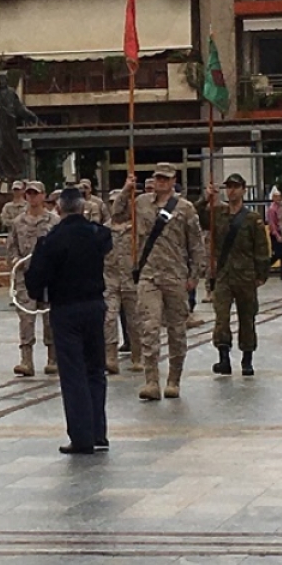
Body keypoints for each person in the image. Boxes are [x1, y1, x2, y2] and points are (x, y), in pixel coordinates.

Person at [25, 187, 112, 455]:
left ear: (59, 208)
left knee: (73, 373)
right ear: (83, 208)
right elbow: (107, 242)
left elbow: (35, 282)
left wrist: (41, 291)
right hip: (95, 306)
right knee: (95, 370)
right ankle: (98, 433)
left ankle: (82, 437)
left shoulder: (51, 240)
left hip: (66, 309)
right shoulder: (98, 234)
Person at [113, 162, 205, 400]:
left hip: (175, 275)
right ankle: (151, 380)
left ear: (173, 181)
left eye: (165, 178)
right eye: (158, 178)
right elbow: (117, 214)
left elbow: (196, 244)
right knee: (149, 327)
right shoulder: (141, 203)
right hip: (149, 275)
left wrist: (195, 275)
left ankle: (173, 379)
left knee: (176, 330)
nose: (161, 182)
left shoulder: (185, 208)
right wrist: (126, 190)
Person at [197, 174, 270, 377]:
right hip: (223, 275)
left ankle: (247, 359)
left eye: (236, 187)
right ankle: (224, 358)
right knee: (221, 317)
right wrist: (206, 198)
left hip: (246, 275)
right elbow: (197, 217)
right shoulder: (218, 214)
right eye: (229, 187)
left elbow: (261, 248)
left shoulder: (252, 219)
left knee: (247, 317)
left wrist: (261, 274)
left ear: (244, 190)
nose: (232, 191)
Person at [8, 181, 60, 376]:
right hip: (26, 275)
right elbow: (12, 246)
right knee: (26, 318)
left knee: (50, 318)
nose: (32, 197)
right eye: (29, 193)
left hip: (49, 277)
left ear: (43, 195)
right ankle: (26, 360)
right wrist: (15, 260)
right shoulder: (18, 222)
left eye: (35, 193)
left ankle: (53, 359)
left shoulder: (54, 221)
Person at [103, 190, 141, 374]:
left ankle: (137, 356)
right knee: (109, 319)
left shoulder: (137, 228)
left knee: (134, 321)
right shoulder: (104, 229)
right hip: (110, 279)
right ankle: (110, 357)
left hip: (131, 281)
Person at [0, 74, 38, 181]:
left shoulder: (11, 92)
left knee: (13, 146)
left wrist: (30, 115)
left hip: (10, 123)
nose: (2, 81)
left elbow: (19, 107)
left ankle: (16, 170)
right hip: (0, 123)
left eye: (4, 79)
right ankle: (1, 170)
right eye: (0, 80)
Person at [267, 186, 282, 282]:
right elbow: (272, 224)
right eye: (276, 196)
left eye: (279, 196)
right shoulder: (271, 209)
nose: (278, 198)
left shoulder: (281, 207)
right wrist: (277, 236)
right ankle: (265, 266)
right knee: (277, 254)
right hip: (275, 233)